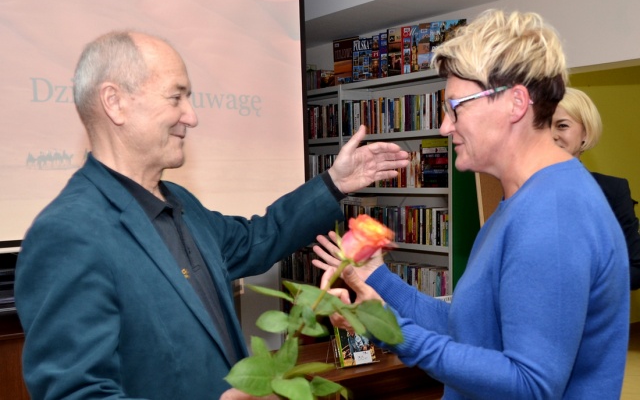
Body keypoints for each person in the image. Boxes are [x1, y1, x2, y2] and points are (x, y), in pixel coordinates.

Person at [14, 30, 410, 400]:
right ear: (115, 102)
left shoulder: (180, 202)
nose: (191, 116)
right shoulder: (67, 234)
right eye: (176, 98)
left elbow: (258, 239)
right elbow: (75, 393)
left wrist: (334, 183)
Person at [313, 9, 630, 399]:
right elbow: (470, 327)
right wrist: (376, 278)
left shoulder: (554, 215)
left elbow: (529, 385)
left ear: (515, 103)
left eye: (456, 107)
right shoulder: (526, 200)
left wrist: (394, 334)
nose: (445, 126)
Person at [552, 87, 640, 289]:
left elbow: (636, 268)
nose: (552, 135)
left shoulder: (612, 191)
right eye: (543, 126)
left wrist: (585, 282)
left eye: (562, 125)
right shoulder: (520, 189)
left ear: (585, 133)